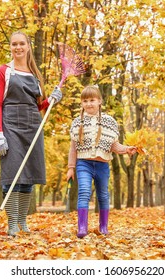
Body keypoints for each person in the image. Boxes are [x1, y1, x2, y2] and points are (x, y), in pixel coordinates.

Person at [0, 31, 62, 236]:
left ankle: (22, 220)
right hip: (10, 125)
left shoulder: (35, 73)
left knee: (28, 175)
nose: (18, 47)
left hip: (33, 126)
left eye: (22, 43)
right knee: (13, 173)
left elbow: (39, 105)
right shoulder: (3, 71)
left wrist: (52, 100)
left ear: (28, 46)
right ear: (10, 47)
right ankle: (12, 222)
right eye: (14, 44)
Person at [66, 85, 137, 238]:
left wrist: (126, 149)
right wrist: (71, 167)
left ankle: (103, 226)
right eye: (85, 101)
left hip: (102, 164)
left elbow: (113, 145)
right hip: (83, 164)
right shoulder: (77, 123)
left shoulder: (109, 122)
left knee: (103, 195)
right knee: (84, 191)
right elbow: (73, 148)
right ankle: (82, 227)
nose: (89, 104)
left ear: (99, 101)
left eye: (92, 100)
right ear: (81, 103)